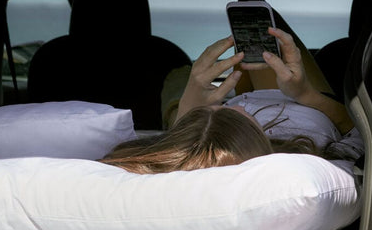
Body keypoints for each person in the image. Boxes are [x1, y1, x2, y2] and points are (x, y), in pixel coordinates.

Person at [101, 26, 357, 174]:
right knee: (253, 9)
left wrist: (188, 111)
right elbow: (357, 128)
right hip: (298, 98)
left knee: (179, 79)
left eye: (219, 109)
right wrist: (305, 94)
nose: (224, 107)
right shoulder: (314, 155)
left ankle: (182, 114)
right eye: (226, 111)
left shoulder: (203, 150)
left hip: (192, 136)